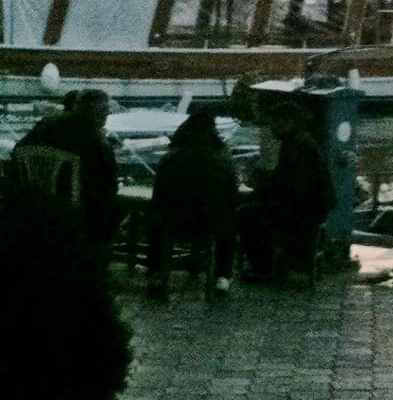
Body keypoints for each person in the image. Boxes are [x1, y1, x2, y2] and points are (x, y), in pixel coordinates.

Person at [145, 109, 240, 297]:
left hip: (174, 223)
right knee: (229, 227)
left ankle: (156, 273)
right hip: (212, 224)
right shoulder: (222, 160)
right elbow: (232, 198)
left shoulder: (170, 158)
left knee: (155, 226)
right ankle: (222, 276)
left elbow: (158, 198)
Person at [239, 102, 334, 281]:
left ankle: (262, 269)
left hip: (303, 211)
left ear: (286, 122)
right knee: (256, 210)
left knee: (247, 214)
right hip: (312, 207)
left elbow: (290, 187)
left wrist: (260, 190)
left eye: (273, 123)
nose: (271, 128)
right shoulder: (302, 141)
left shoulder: (294, 147)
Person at [14, 88, 119, 245]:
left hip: (34, 207)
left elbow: (17, 151)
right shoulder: (97, 140)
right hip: (77, 214)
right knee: (116, 207)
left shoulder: (44, 126)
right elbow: (109, 185)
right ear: (103, 114)